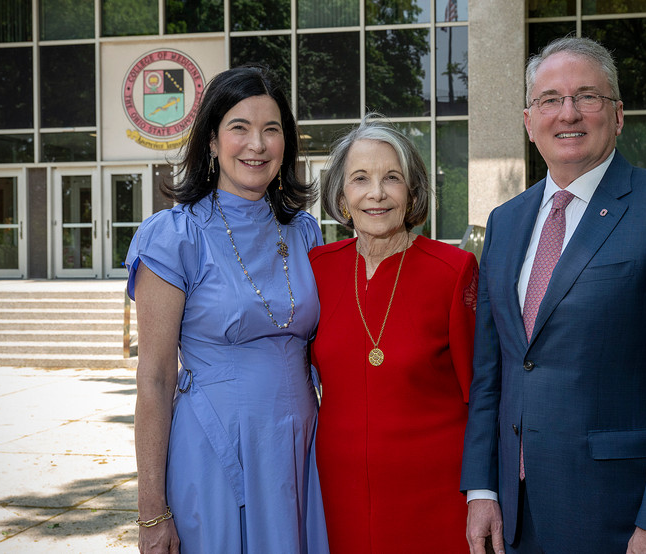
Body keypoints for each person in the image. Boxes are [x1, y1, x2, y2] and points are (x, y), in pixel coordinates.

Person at [461, 36, 646, 554]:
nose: (569, 113)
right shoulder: (506, 222)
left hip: (622, 519)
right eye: (550, 100)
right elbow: (492, 371)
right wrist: (482, 488)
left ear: (618, 114)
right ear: (528, 119)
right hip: (516, 519)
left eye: (587, 96)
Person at [126, 66, 329, 553]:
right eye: (239, 127)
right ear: (212, 143)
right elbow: (154, 378)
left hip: (300, 449)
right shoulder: (175, 235)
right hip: (215, 450)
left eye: (272, 129)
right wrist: (152, 511)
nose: (256, 144)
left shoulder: (305, 232)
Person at [309, 114, 478, 553]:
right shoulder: (317, 269)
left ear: (413, 191)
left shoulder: (453, 271)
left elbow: (482, 396)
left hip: (437, 496)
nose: (376, 193)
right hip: (338, 492)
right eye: (360, 178)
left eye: (392, 178)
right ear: (342, 195)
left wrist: (483, 493)